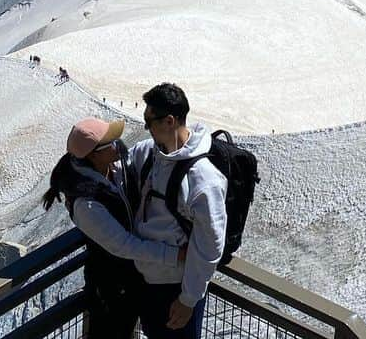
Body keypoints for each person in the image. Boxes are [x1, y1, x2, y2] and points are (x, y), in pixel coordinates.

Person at [43, 117, 184, 339]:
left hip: (131, 279)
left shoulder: (114, 166)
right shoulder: (85, 203)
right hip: (111, 289)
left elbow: (147, 149)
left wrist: (177, 136)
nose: (118, 143)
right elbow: (124, 246)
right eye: (110, 141)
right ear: (94, 155)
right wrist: (174, 256)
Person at [128, 84, 228, 338]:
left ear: (169, 121)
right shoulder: (152, 153)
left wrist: (188, 299)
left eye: (149, 121)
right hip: (149, 280)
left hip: (175, 290)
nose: (146, 128)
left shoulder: (204, 180)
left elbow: (209, 246)